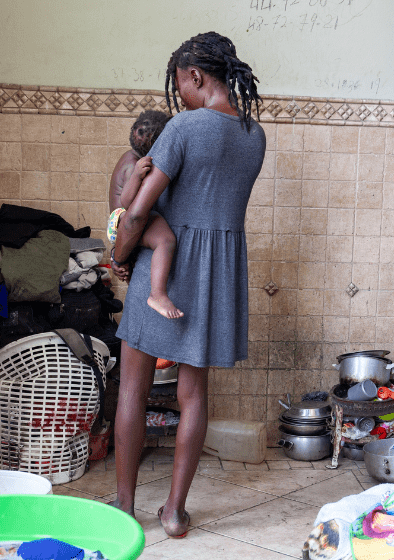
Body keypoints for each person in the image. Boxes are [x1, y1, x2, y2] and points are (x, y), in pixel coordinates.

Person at [108, 31, 265, 539]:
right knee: (193, 395)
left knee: (132, 387)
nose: (181, 97)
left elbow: (135, 213)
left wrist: (118, 256)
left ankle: (125, 508)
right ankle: (175, 512)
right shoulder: (254, 134)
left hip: (168, 269)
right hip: (218, 276)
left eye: (182, 86)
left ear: (196, 76)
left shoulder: (184, 128)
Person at [107, 110, 183, 319]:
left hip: (124, 224)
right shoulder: (136, 165)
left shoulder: (133, 157)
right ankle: (157, 294)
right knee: (165, 240)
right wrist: (120, 255)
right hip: (125, 221)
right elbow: (131, 207)